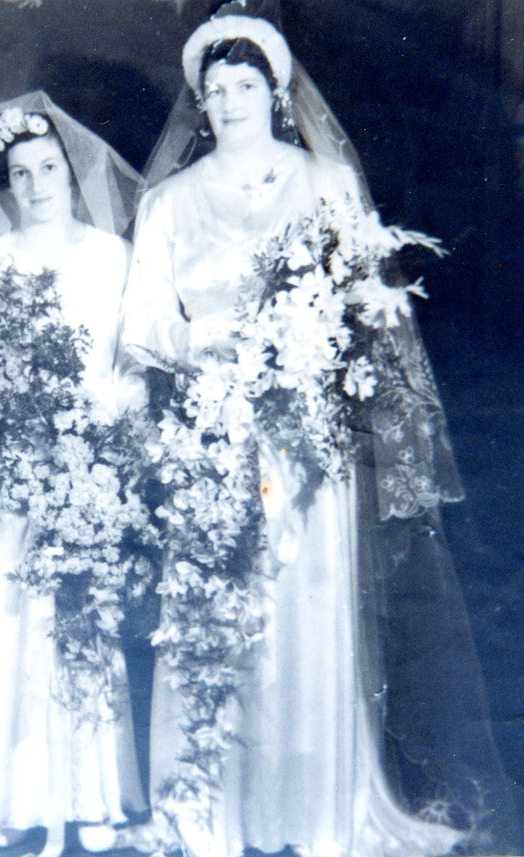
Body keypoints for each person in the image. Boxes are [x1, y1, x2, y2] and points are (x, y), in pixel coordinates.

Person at [122, 2, 520, 856]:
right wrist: (216, 342)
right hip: (214, 431)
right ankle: (215, 810)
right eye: (214, 88)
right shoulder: (167, 202)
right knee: (224, 615)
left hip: (309, 440)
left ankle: (312, 812)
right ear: (197, 101)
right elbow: (142, 325)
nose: (229, 101)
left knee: (305, 616)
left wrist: (307, 350)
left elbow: (369, 311)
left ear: (275, 92)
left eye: (245, 84)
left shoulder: (327, 183)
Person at [0, 91, 148, 857]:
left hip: (92, 467)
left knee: (83, 621)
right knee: (10, 622)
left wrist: (102, 437)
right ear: (4, 185)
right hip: (13, 477)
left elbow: (132, 368)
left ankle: (95, 796)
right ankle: (14, 796)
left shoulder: (110, 257)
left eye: (48, 169)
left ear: (72, 171)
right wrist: (8, 445)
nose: (35, 186)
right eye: (19, 173)